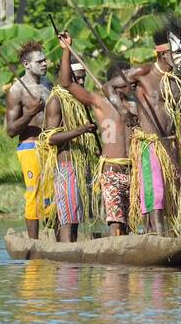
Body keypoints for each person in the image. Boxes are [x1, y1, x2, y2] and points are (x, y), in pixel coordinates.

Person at [113, 18, 181, 235]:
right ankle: (158, 237)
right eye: (176, 53)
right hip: (149, 146)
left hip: (171, 147)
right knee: (154, 194)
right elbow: (108, 86)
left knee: (167, 197)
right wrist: (124, 112)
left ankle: (160, 235)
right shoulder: (144, 73)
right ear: (162, 54)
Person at [56, 32, 133, 236]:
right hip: (112, 171)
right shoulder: (101, 103)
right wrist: (66, 50)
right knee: (116, 223)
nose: (130, 84)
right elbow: (67, 83)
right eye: (125, 80)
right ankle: (115, 262)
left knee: (131, 223)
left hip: (134, 171)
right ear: (114, 82)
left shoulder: (137, 106)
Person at [35, 59, 99, 241]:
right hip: (67, 167)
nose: (81, 83)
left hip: (81, 165)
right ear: (67, 77)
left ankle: (73, 260)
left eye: (83, 79)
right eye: (78, 79)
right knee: (67, 219)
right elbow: (50, 138)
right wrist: (81, 130)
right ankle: (66, 261)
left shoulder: (79, 101)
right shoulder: (56, 101)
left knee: (76, 218)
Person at [5, 40, 51, 239]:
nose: (44, 64)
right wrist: (30, 113)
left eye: (45, 60)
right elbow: (10, 130)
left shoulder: (49, 85)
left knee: (51, 195)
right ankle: (33, 243)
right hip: (30, 146)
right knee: (33, 194)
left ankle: (53, 239)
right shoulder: (17, 90)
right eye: (39, 61)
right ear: (27, 64)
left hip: (51, 144)